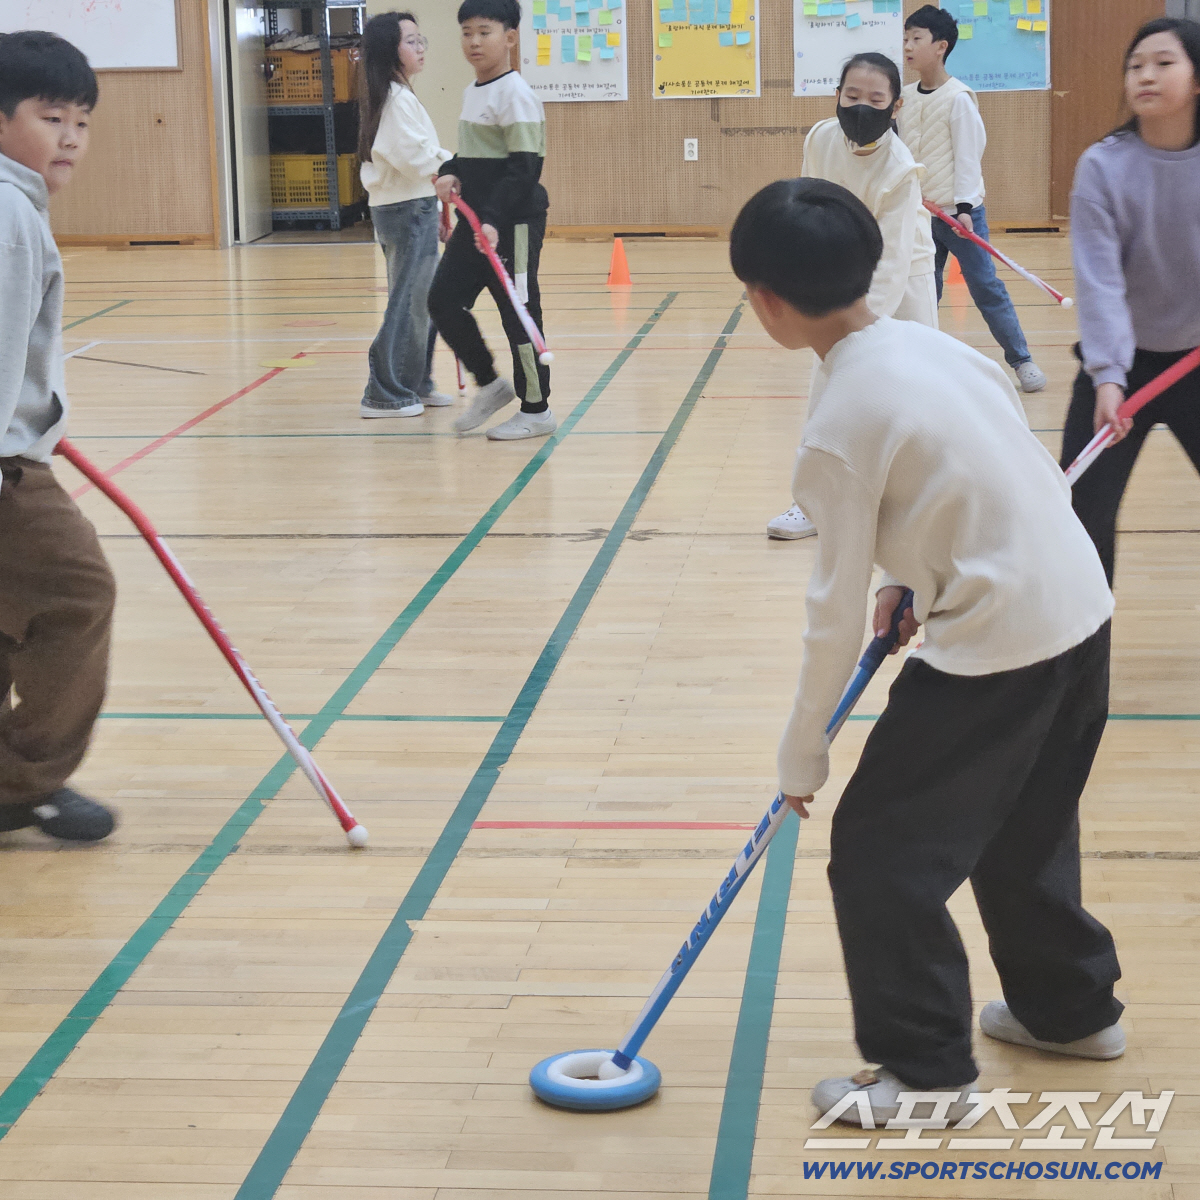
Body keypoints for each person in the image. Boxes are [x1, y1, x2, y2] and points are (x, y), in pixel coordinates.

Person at [730, 177, 1123, 1124]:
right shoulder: (930, 345)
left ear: (768, 302)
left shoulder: (834, 430)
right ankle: (1069, 1010)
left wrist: (802, 756)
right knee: (1025, 823)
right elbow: (988, 473)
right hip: (1079, 608)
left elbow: (831, 617)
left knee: (877, 852)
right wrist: (912, 574)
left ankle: (929, 1075)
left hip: (1001, 643)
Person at [0, 31, 117, 843]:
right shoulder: (11, 215)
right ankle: (24, 782)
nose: (71, 136)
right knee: (78, 593)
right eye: (51, 117)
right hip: (6, 472)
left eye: (81, 120)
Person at [768, 52, 937, 541]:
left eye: (875, 99)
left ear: (896, 106)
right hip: (840, 269)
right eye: (852, 96)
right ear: (837, 96)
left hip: (903, 276)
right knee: (827, 385)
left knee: (915, 386)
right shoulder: (820, 138)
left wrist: (857, 333)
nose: (861, 107)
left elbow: (892, 264)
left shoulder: (902, 170)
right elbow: (806, 205)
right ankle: (813, 503)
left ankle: (920, 497)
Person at [1061, 17, 1200, 585]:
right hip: (1122, 369)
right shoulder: (1103, 166)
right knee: (1079, 518)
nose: (1146, 75)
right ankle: (1080, 665)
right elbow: (1099, 282)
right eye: (1135, 65)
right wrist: (1110, 376)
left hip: (1195, 359)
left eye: (1164, 63)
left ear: (1195, 79)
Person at [900, 4, 1047, 395]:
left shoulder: (959, 98)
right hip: (920, 215)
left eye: (917, 38)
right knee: (922, 291)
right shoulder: (904, 98)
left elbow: (968, 157)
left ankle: (1022, 360)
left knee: (985, 287)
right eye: (906, 39)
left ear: (941, 46)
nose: (908, 46)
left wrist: (965, 209)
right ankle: (917, 366)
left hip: (960, 217)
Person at [428, 0, 554, 442]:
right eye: (467, 33)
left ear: (510, 38)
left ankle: (537, 410)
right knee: (442, 301)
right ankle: (492, 384)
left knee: (517, 314)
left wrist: (496, 219)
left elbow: (524, 168)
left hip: (512, 224)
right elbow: (475, 156)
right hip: (477, 223)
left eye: (485, 31)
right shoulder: (474, 90)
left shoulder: (515, 94)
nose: (474, 41)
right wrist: (450, 171)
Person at [358, 12, 453, 419]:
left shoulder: (401, 95)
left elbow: (422, 158)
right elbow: (416, 158)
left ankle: (414, 383)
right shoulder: (394, 101)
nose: (420, 48)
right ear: (389, 51)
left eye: (420, 40)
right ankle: (382, 392)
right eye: (411, 41)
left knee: (422, 302)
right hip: (404, 210)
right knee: (405, 301)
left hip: (416, 206)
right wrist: (458, 167)